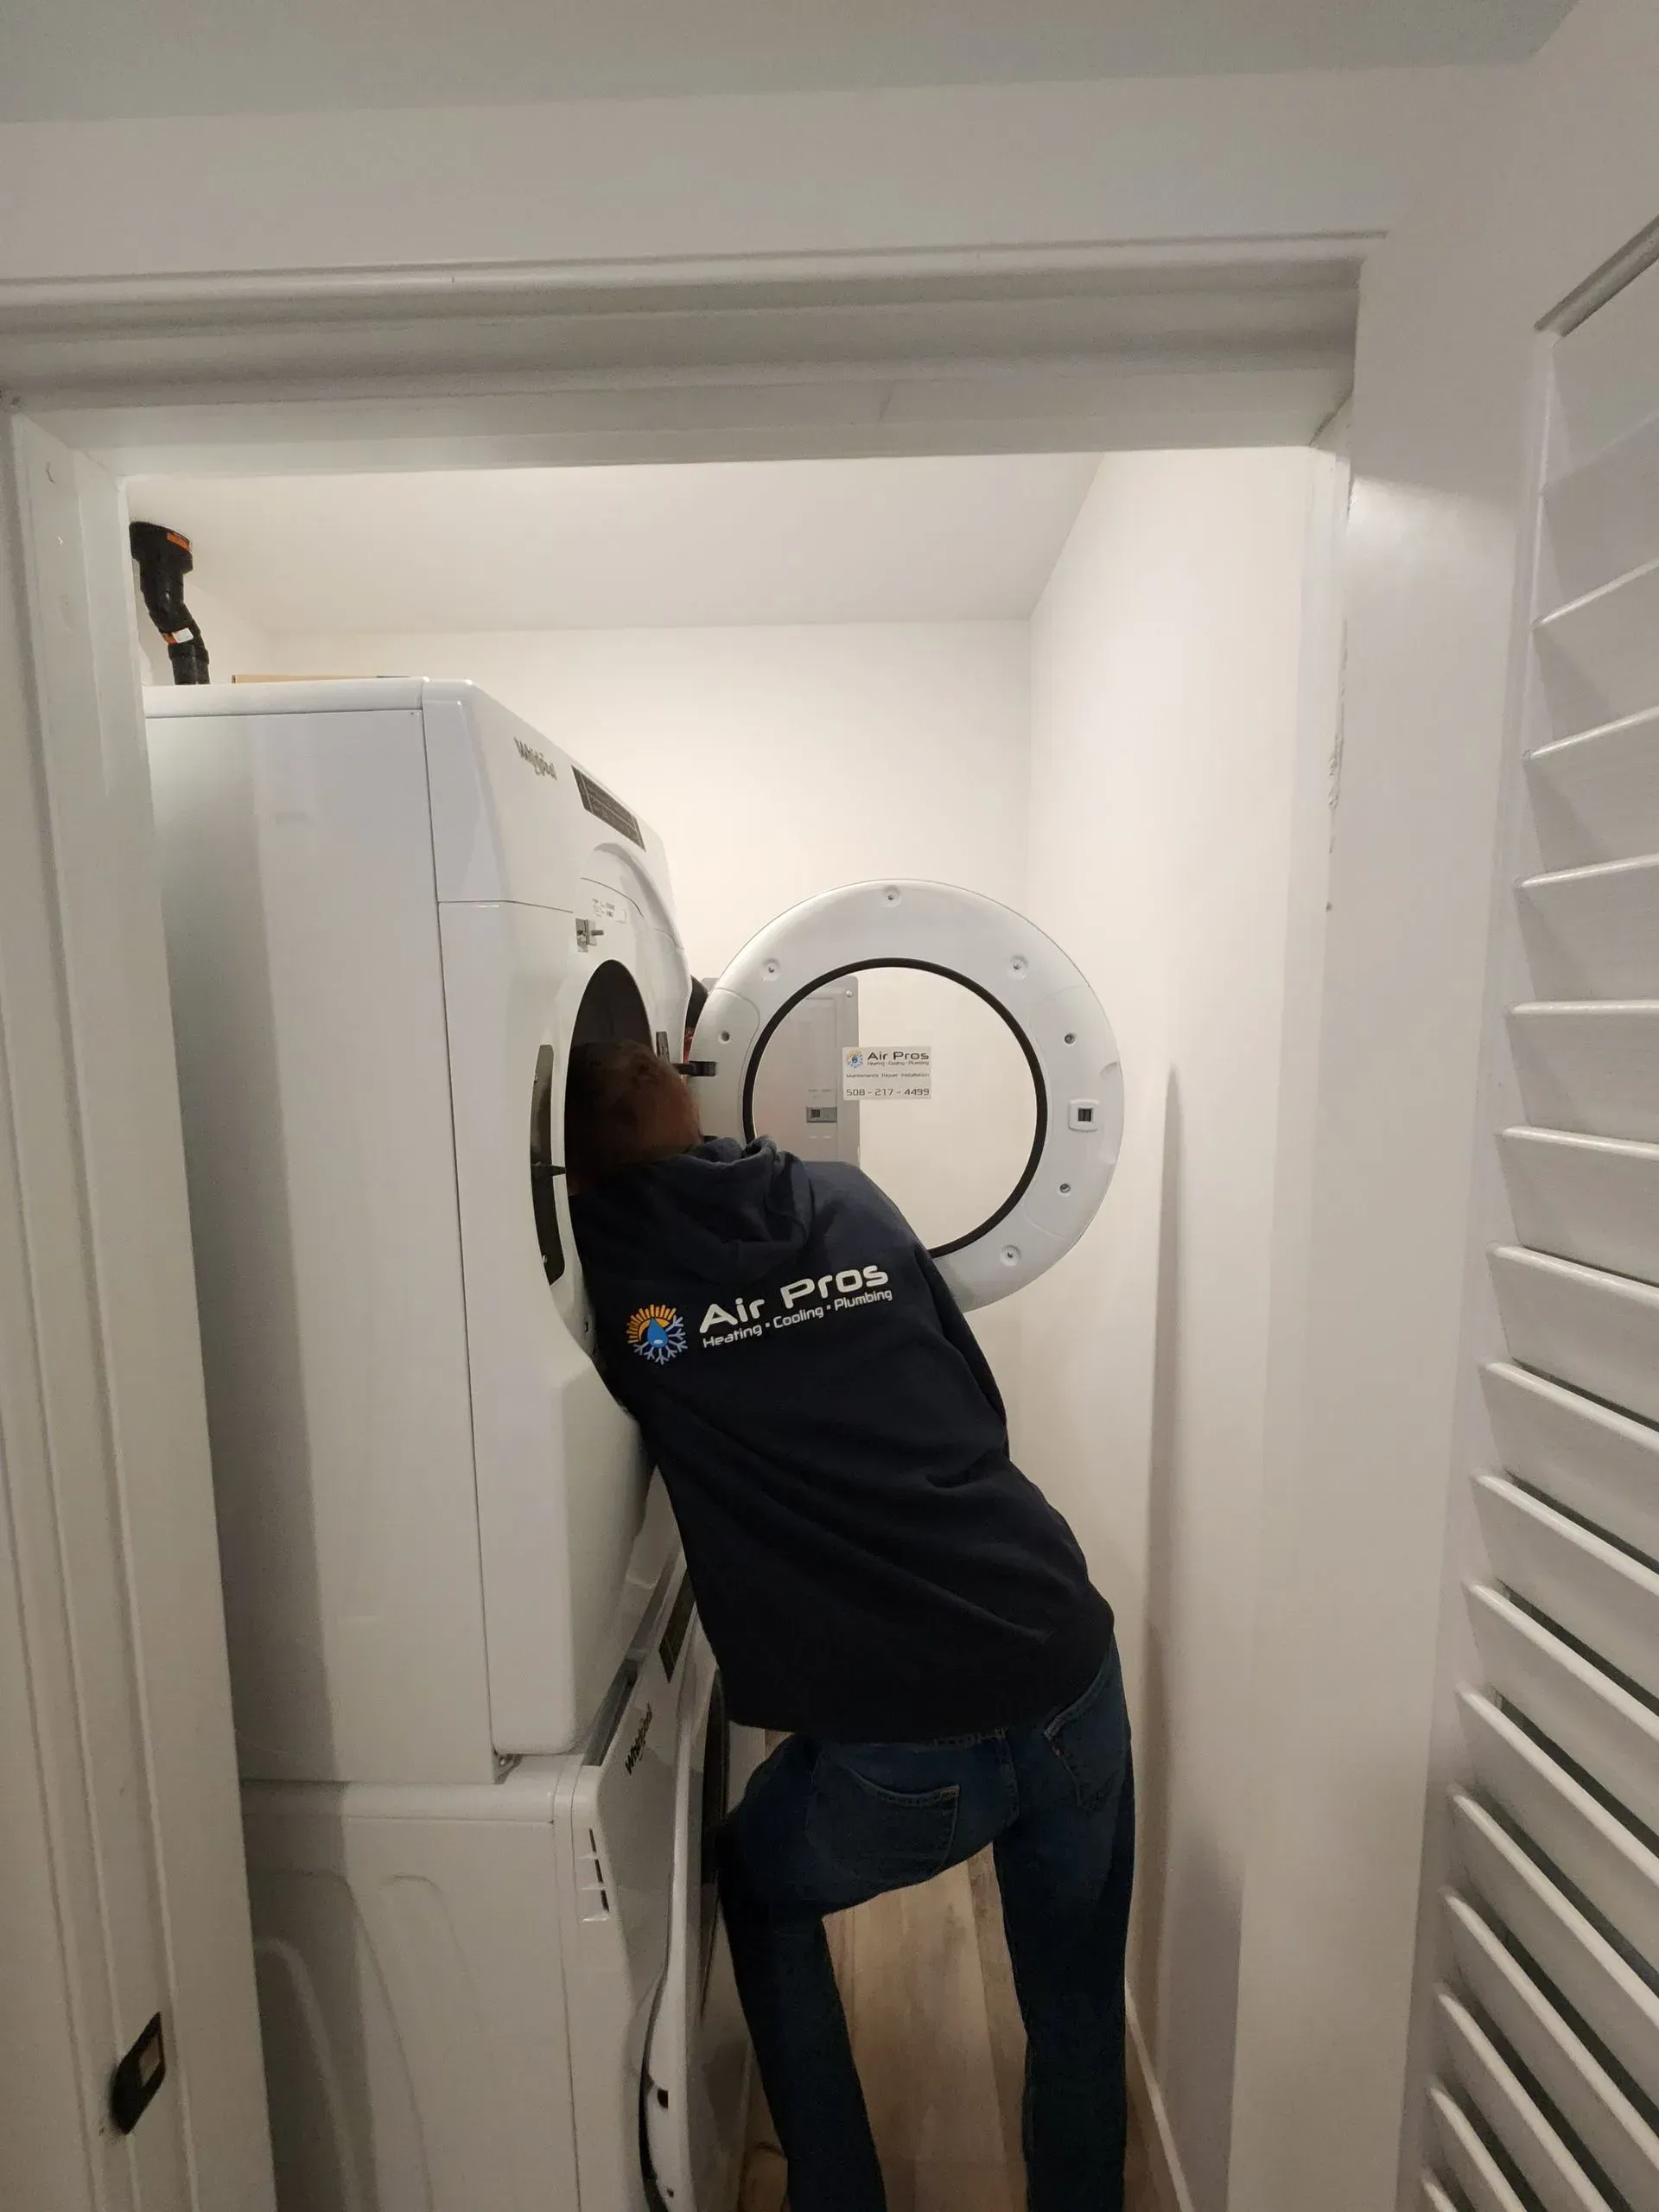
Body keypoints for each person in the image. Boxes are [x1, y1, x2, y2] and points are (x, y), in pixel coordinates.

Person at [566, 1039, 1133, 2212]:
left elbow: (650, 1373)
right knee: (1074, 1994)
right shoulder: (845, 1194)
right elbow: (976, 1399)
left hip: (904, 1739)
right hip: (1062, 1649)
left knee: (760, 1889)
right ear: (687, 1077)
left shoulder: (622, 1287)